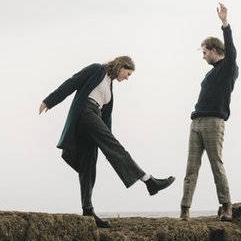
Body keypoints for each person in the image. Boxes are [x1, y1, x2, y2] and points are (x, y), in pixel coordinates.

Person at [38, 55, 173, 228]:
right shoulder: (97, 69)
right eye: (128, 74)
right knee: (115, 147)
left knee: (88, 165)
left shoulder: (109, 85)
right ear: (121, 67)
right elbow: (71, 83)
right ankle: (149, 181)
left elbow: (106, 121)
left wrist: (109, 149)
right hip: (85, 113)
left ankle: (88, 211)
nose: (127, 78)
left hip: (93, 116)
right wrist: (49, 101)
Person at [180, 3, 239, 221]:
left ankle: (227, 207)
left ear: (214, 50)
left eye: (205, 52)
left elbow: (231, 50)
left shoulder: (228, 68)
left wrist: (225, 23)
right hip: (196, 122)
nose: (203, 56)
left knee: (216, 165)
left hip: (214, 122)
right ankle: (184, 210)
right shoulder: (210, 74)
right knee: (191, 168)